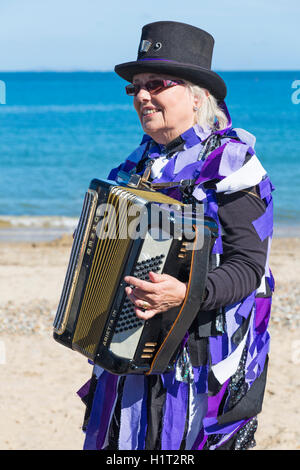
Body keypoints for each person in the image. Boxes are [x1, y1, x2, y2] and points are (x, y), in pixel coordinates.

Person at [77, 21, 274, 451]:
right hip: (128, 355)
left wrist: (185, 294)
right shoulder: (131, 169)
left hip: (200, 363)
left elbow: (249, 267)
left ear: (197, 94)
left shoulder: (233, 163)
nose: (142, 96)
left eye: (156, 84)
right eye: (136, 88)